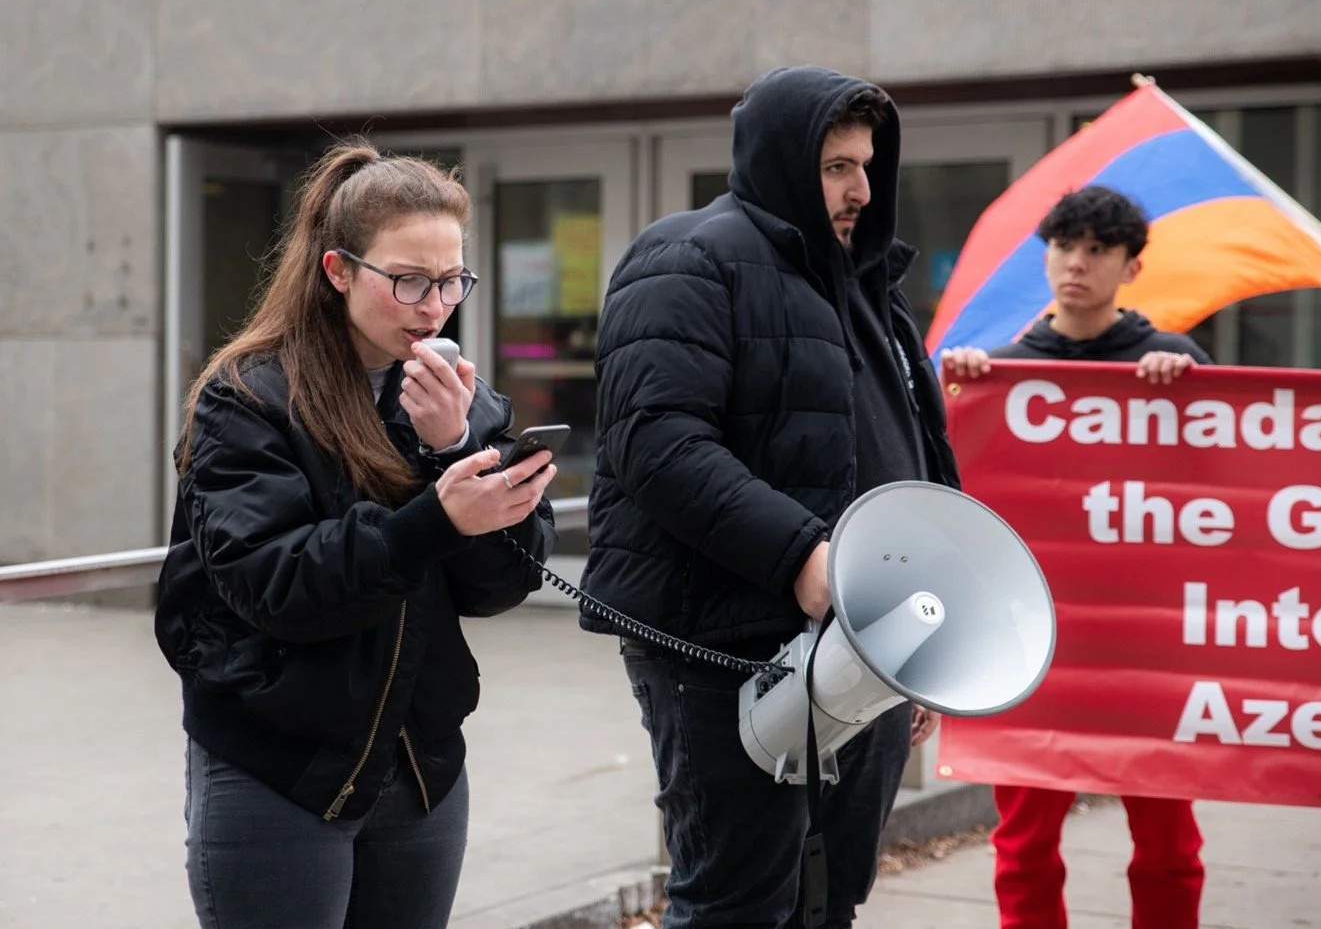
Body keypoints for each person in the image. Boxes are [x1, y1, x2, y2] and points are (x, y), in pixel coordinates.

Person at [580, 66, 960, 928]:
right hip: (722, 646)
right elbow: (657, 442)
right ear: (780, 159)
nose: (860, 189)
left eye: (867, 165)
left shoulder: (871, 290)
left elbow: (921, 459)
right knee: (738, 903)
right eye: (835, 166)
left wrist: (931, 636)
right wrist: (800, 554)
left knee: (833, 893)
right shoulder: (689, 256)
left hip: (865, 649)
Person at [153, 138, 558, 929]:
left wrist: (453, 448)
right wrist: (432, 516)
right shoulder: (248, 399)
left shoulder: (463, 401)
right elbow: (277, 584)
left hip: (418, 763)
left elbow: (502, 583)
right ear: (339, 271)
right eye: (408, 279)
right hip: (279, 762)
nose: (434, 305)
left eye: (451, 281)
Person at [942, 184, 1211, 929]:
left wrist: (1187, 394)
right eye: (1065, 246)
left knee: (1167, 843)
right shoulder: (995, 372)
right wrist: (967, 394)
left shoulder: (1176, 362)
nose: (1077, 263)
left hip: (1149, 645)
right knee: (1025, 844)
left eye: (1098, 250)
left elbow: (1215, 503)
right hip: (1032, 643)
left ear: (1131, 268)